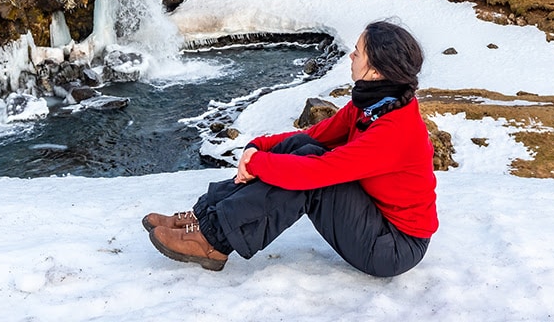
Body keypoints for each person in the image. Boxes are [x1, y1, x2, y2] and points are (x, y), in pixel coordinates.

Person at [145, 20, 438, 277]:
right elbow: (315, 135)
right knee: (304, 145)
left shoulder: (393, 132)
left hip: (393, 247)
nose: (351, 55)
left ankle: (213, 240)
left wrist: (258, 163)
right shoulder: (374, 105)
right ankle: (206, 215)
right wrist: (259, 147)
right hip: (376, 219)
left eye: (358, 52)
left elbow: (320, 171)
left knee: (312, 178)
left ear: (374, 71)